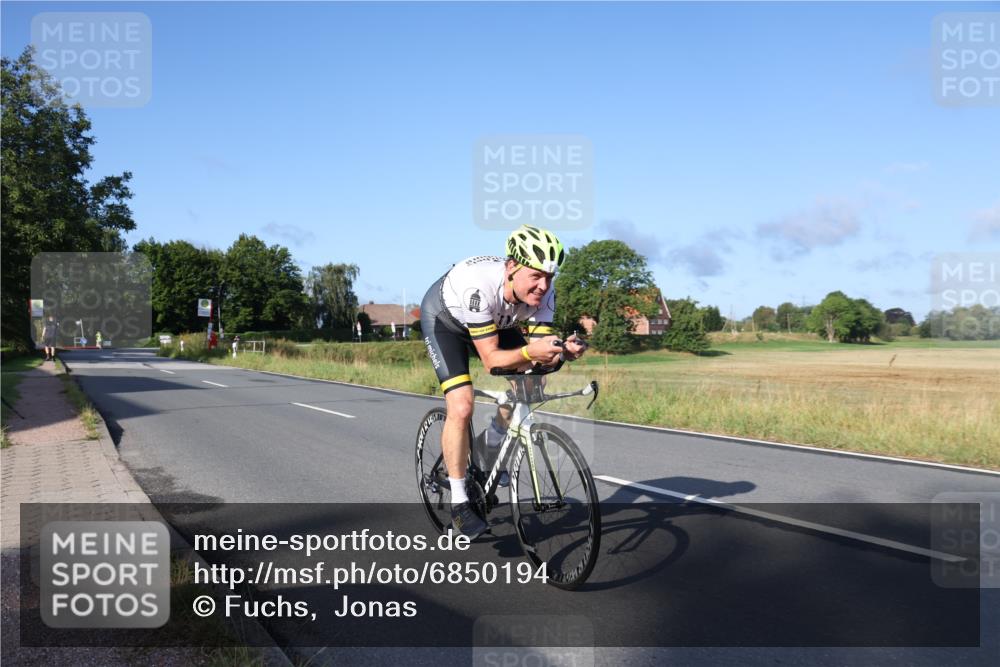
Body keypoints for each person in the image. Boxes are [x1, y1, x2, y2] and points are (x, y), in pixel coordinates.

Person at [420, 225, 587, 540]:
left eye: (549, 277)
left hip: (498, 320)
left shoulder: (544, 293)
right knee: (462, 403)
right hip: (446, 321)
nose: (543, 286)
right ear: (511, 267)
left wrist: (563, 353)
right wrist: (529, 350)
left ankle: (488, 448)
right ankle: (458, 502)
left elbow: (540, 357)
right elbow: (492, 361)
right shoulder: (478, 285)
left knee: (529, 387)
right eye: (535, 276)